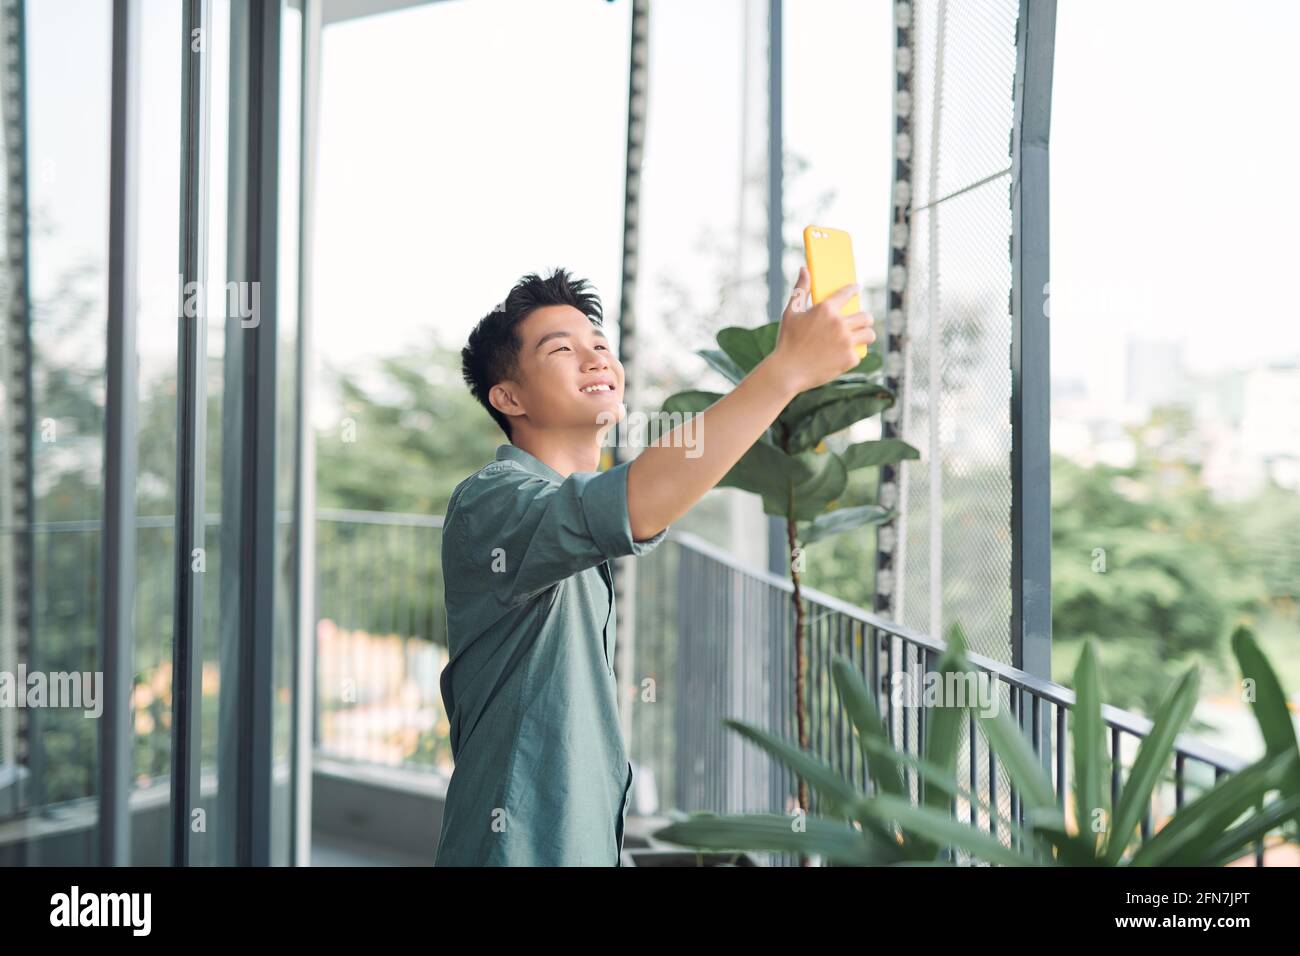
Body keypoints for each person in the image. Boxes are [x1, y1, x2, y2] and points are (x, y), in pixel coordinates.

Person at [434, 265, 872, 865]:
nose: (596, 360)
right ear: (508, 398)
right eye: (562, 349)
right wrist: (786, 371)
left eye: (600, 346)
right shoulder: (493, 501)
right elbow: (634, 501)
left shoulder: (563, 521)